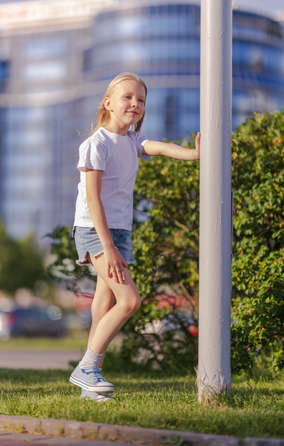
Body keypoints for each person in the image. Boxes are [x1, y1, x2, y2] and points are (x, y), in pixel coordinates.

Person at [70, 72, 200, 401]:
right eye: (127, 97)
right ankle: (86, 368)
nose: (135, 104)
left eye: (141, 100)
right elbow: (94, 200)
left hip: (119, 231)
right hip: (94, 229)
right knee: (129, 300)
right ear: (108, 103)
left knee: (104, 303)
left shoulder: (130, 142)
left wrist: (195, 154)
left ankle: (89, 384)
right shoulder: (95, 145)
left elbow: (159, 147)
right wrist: (109, 248)